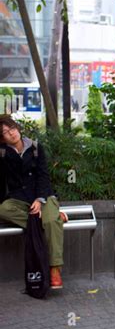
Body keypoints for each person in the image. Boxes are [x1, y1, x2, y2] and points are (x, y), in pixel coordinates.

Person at [0, 116, 65, 289]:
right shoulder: (3, 153)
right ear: (2, 138)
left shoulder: (35, 148)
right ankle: (53, 218)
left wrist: (39, 199)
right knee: (4, 210)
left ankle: (55, 269)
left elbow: (43, 176)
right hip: (19, 199)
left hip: (43, 196)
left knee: (51, 221)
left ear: (18, 128)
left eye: (12, 128)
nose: (11, 133)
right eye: (5, 133)